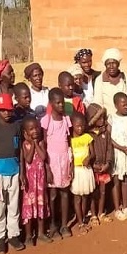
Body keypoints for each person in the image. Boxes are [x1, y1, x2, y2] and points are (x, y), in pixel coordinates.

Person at [0, 94, 24, 254]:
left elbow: (20, 148)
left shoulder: (16, 126)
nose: (7, 113)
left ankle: (14, 234)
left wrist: (21, 170)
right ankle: (0, 237)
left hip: (14, 169)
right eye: (3, 110)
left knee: (13, 204)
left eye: (9, 110)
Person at [41, 88, 73, 239]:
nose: (61, 105)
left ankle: (65, 224)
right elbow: (44, 144)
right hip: (52, 162)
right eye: (57, 103)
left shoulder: (66, 119)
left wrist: (71, 162)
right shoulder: (46, 121)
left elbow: (69, 141)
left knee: (65, 193)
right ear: (51, 103)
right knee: (53, 194)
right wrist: (46, 167)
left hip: (64, 160)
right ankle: (53, 224)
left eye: (62, 102)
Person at [19, 117, 50, 245]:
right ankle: (28, 235)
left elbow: (43, 157)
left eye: (37, 127)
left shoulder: (42, 143)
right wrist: (32, 144)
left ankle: (41, 233)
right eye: (31, 129)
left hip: (40, 180)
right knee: (29, 207)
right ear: (25, 132)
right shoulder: (25, 145)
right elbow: (28, 159)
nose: (35, 131)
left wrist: (37, 143)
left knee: (40, 204)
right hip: (30, 182)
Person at [109, 93, 127, 221]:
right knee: (116, 181)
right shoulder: (112, 118)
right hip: (117, 153)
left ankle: (126, 206)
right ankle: (117, 208)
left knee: (126, 179)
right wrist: (120, 147)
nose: (126, 106)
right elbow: (109, 138)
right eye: (123, 104)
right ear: (116, 105)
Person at [87, 104, 114, 225]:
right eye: (99, 118)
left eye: (103, 117)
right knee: (93, 191)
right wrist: (93, 166)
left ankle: (101, 212)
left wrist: (108, 163)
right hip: (93, 168)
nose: (102, 120)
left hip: (104, 166)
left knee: (103, 190)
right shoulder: (88, 135)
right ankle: (93, 215)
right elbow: (87, 153)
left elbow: (109, 148)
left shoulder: (106, 132)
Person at [70, 113, 95, 234]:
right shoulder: (70, 140)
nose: (80, 128)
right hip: (77, 170)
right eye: (77, 126)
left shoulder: (87, 137)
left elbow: (93, 153)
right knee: (77, 198)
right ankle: (80, 222)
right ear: (72, 126)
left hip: (86, 170)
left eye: (82, 126)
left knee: (85, 196)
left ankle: (84, 219)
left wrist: (89, 158)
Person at [93, 49, 127, 117]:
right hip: (108, 119)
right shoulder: (100, 80)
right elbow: (98, 101)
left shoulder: (125, 77)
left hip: (124, 118)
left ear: (118, 64)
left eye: (114, 63)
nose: (111, 66)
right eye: (108, 64)